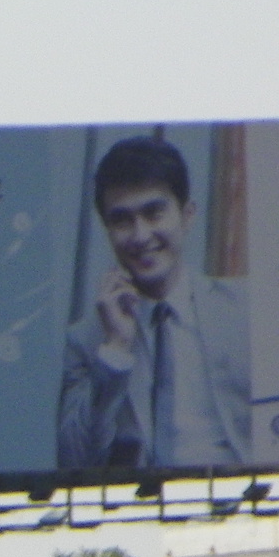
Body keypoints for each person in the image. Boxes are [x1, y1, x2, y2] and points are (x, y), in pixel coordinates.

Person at [56, 135, 251, 471]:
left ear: (187, 215)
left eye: (154, 213)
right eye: (122, 220)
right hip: (141, 499)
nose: (140, 235)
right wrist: (116, 348)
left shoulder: (245, 309)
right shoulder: (85, 342)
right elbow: (74, 463)